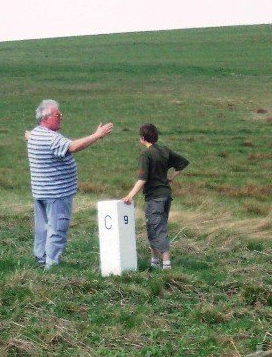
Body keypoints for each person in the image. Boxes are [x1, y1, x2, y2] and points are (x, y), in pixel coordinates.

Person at [27, 99, 113, 268]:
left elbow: (28, 136)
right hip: (56, 193)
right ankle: (51, 265)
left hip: (40, 192)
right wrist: (97, 135)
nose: (61, 118)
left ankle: (40, 259)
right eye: (57, 115)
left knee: (42, 228)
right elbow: (73, 147)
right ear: (45, 118)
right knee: (57, 229)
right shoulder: (51, 138)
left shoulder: (35, 134)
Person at [121, 123, 189, 270]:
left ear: (142, 138)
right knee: (155, 227)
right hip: (166, 196)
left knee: (157, 229)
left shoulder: (146, 155)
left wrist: (129, 196)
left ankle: (166, 264)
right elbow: (183, 162)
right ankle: (154, 261)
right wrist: (171, 178)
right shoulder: (163, 150)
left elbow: (142, 179)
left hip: (155, 198)